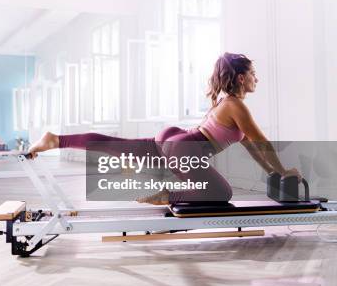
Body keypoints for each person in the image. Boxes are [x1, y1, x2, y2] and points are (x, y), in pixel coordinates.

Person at [28, 53, 300, 205]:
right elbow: (262, 142)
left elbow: (253, 148)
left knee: (117, 145)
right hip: (184, 147)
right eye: (253, 73)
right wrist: (284, 170)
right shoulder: (236, 107)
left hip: (174, 138)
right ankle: (164, 194)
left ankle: (56, 140)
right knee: (221, 193)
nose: (257, 78)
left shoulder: (225, 103)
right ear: (241, 77)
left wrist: (274, 173)